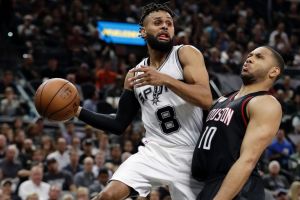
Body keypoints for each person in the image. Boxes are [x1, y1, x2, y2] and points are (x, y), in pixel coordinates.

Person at [74, 2, 212, 200]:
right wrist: (77, 111)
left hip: (190, 154)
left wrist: (165, 79)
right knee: (106, 196)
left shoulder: (185, 53)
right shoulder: (135, 74)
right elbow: (118, 124)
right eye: (157, 22)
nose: (165, 26)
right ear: (143, 32)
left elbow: (206, 99)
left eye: (169, 23)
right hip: (153, 153)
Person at [192, 46, 285, 200]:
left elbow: (248, 160)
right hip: (210, 185)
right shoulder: (222, 100)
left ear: (274, 71)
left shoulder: (265, 102)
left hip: (239, 189)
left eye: (259, 57)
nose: (249, 58)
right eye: (250, 55)